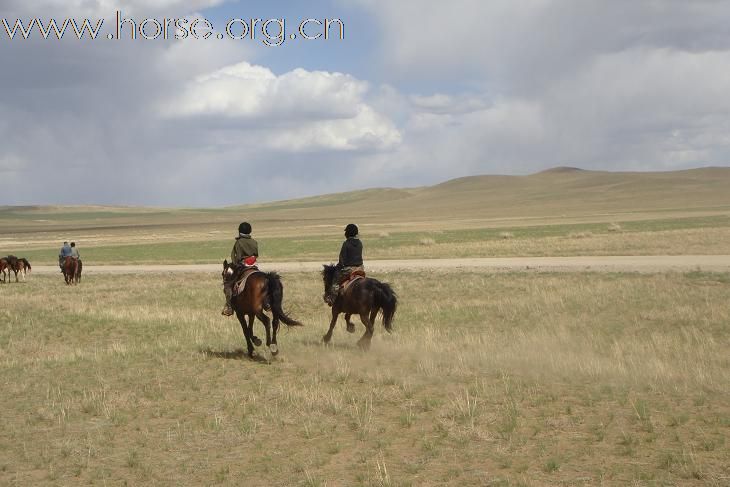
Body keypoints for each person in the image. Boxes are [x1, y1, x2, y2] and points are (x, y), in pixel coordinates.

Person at [222, 222, 259, 316]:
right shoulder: (254, 241)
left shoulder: (239, 242)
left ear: (240, 231)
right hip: (254, 265)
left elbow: (236, 258)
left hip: (243, 265)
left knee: (228, 285)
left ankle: (229, 307)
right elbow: (256, 254)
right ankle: (266, 304)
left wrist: (235, 263)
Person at [325, 223, 364, 305]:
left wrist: (338, 267)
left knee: (335, 280)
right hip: (360, 268)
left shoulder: (346, 243)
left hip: (348, 270)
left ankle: (332, 298)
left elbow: (342, 259)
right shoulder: (360, 243)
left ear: (347, 233)